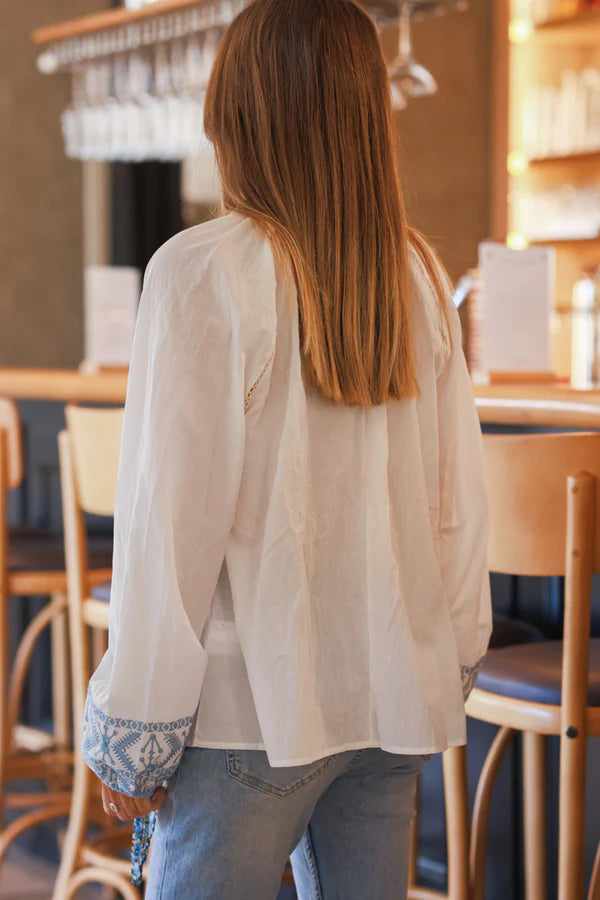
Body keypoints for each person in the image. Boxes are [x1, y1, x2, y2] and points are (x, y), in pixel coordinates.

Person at [82, 0, 492, 897]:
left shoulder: (202, 273)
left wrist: (134, 725)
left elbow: (168, 533)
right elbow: (459, 508)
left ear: (237, 111)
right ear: (365, 114)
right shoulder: (419, 276)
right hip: (391, 699)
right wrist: (446, 659)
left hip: (246, 717)